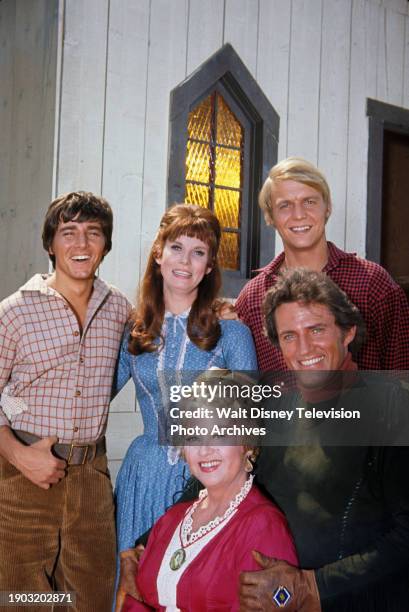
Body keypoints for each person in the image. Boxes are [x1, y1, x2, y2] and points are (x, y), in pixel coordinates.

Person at [239, 269, 409, 611]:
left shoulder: (394, 406)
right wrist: (144, 547)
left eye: (316, 330)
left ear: (347, 333)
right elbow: (218, 479)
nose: (304, 348)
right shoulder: (275, 409)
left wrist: (312, 587)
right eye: (289, 336)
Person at [113, 205, 257, 595]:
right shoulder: (134, 331)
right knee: (136, 590)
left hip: (205, 478)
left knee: (193, 590)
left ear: (209, 267)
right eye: (176, 247)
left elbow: (251, 421)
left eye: (198, 252)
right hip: (142, 476)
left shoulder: (232, 333)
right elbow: (91, 393)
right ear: (158, 253)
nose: (185, 261)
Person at [0, 192, 131, 611]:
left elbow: (161, 332)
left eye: (93, 233)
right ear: (50, 243)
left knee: (90, 595)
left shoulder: (119, 310)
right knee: (23, 598)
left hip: (92, 477)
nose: (81, 244)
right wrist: (20, 455)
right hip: (22, 476)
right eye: (68, 232)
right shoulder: (14, 312)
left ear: (105, 245)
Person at [121, 371, 298, 611]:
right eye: (194, 436)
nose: (205, 450)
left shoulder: (264, 526)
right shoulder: (172, 520)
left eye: (219, 434)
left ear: (246, 442)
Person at [235, 157, 409, 371]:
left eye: (309, 201)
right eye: (285, 205)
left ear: (327, 207)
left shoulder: (373, 283)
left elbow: (402, 378)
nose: (298, 215)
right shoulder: (252, 298)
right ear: (270, 217)